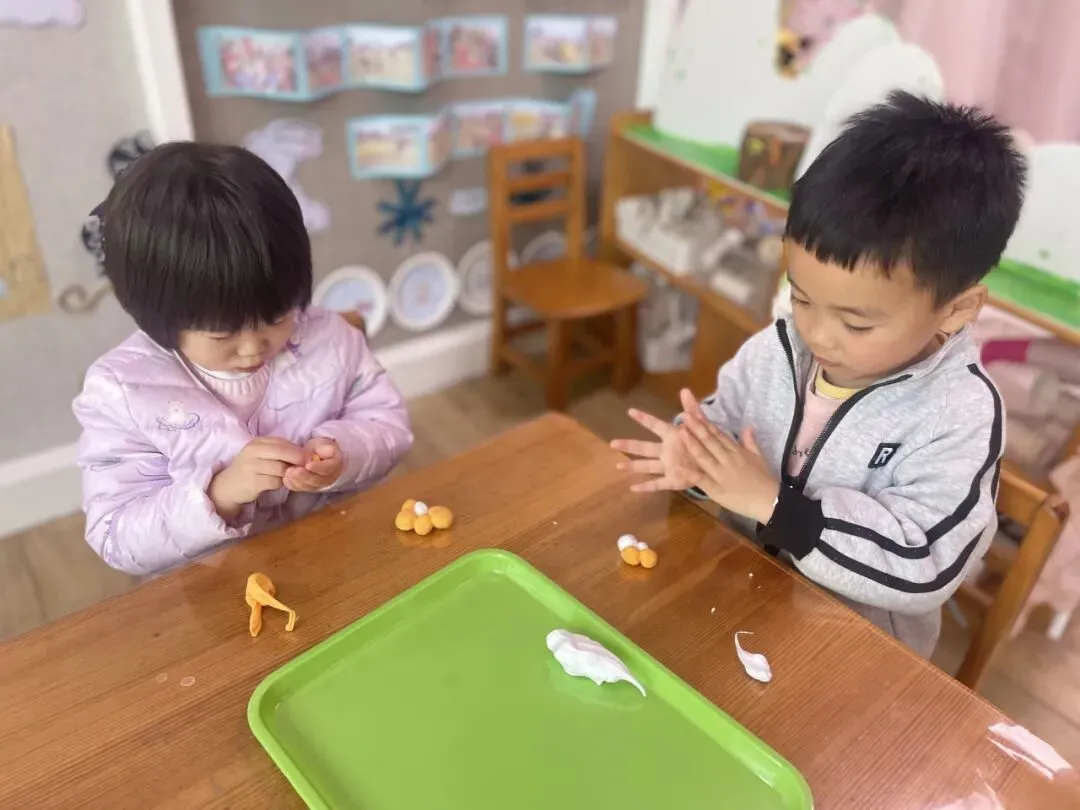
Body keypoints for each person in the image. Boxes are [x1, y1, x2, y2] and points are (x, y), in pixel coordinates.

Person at [612, 91, 1026, 657]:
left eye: (856, 323)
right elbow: (723, 424)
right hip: (738, 596)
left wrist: (780, 509)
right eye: (802, 298)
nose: (818, 335)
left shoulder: (960, 413)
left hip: (851, 652)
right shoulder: (779, 349)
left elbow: (924, 564)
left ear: (956, 309)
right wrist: (693, 459)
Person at [73, 142, 412, 576]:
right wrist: (218, 495)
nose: (253, 347)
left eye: (276, 316)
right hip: (216, 589)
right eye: (222, 334)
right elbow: (115, 535)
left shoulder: (331, 338)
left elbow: (389, 425)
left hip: (338, 557)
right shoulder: (123, 393)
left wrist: (342, 454)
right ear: (156, 315)